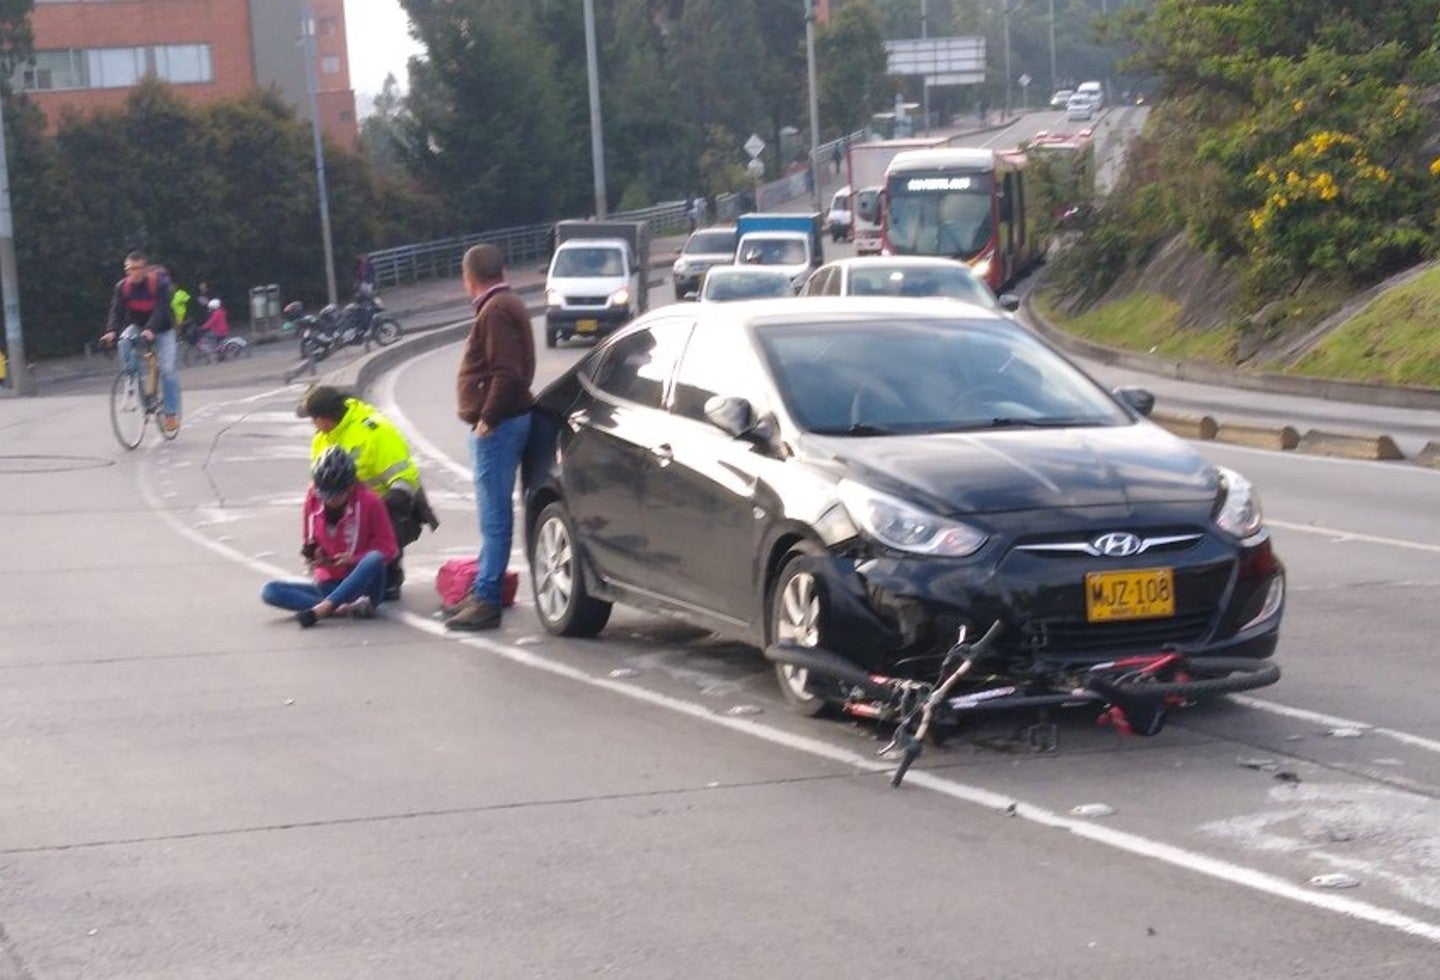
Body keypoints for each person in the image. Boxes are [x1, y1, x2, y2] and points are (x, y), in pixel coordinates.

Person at [446, 243, 535, 631]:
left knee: (494, 516)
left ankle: (487, 598)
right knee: (493, 514)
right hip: (506, 420)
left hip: (499, 426)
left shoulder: (496, 310)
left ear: (470, 277)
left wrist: (487, 419)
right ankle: (484, 588)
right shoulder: (505, 303)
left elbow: (506, 371)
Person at [296, 385, 438, 601]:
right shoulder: (321, 439)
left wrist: (371, 509)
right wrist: (313, 545)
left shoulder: (374, 431)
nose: (313, 425)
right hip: (344, 509)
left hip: (389, 507)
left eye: (313, 419)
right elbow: (317, 490)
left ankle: (389, 573)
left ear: (324, 418)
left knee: (379, 527)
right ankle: (343, 576)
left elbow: (405, 482)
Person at [261, 447, 399, 627]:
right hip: (329, 582)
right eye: (324, 494)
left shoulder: (370, 501)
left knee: (374, 558)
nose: (329, 500)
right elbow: (308, 541)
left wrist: (352, 560)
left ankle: (324, 608)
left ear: (350, 487)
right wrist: (314, 555)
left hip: (362, 586)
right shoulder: (312, 498)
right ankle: (341, 608)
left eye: (336, 494)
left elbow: (389, 549)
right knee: (270, 591)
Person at [101, 250, 181, 433]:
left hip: (163, 329)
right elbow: (117, 310)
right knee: (123, 340)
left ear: (145, 269)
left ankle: (170, 414)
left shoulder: (158, 283)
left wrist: (151, 329)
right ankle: (131, 377)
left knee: (168, 370)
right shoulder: (122, 287)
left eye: (138, 268)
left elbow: (161, 309)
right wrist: (111, 331)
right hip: (137, 326)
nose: (134, 273)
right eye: (130, 269)